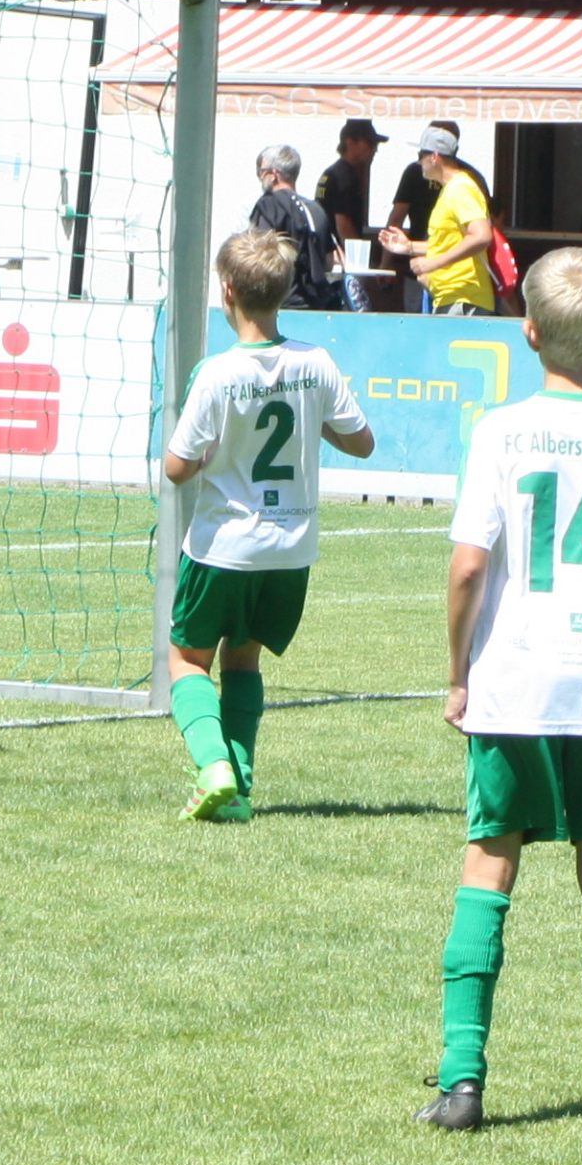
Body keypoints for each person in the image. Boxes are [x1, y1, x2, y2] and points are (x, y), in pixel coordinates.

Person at [419, 248, 582, 1137]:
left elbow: (467, 565)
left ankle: (462, 1081)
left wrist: (459, 672)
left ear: (526, 332)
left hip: (516, 679)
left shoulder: (501, 430)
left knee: (487, 859)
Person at [159, 228, 375, 821]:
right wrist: (313, 422)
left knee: (186, 660)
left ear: (227, 292)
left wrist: (204, 456)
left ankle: (213, 764)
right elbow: (362, 442)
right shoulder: (317, 361)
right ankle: (240, 789)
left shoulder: (219, 372)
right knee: (244, 660)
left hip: (224, 544)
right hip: (290, 549)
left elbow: (177, 468)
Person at [380, 125, 498, 317]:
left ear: (434, 157)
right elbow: (448, 243)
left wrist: (432, 264)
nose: (418, 162)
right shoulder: (451, 189)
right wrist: (409, 246)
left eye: (421, 155)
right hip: (451, 298)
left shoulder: (461, 188)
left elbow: (482, 236)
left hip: (463, 300)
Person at [246, 144, 342, 313]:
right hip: (317, 304)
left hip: (281, 304)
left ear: (273, 174)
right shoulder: (316, 209)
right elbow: (328, 261)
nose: (260, 177)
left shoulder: (269, 205)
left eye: (261, 172)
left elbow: (258, 255)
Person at [314, 119, 384, 312]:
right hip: (343, 261)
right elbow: (342, 222)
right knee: (352, 311)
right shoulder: (345, 176)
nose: (374, 149)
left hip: (328, 255)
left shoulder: (330, 173)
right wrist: (356, 262)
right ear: (350, 142)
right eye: (370, 143)